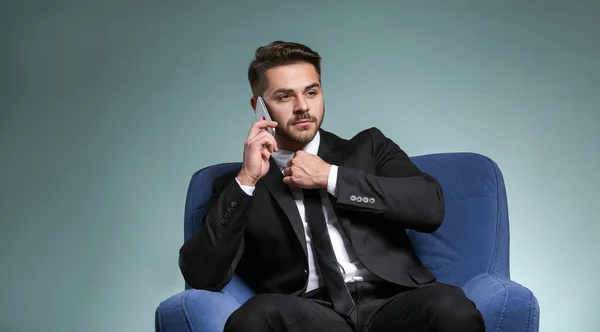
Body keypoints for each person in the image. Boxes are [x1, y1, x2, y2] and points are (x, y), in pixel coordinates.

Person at [178, 41, 485, 332]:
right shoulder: (242, 183)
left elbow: (430, 206)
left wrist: (332, 178)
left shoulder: (369, 148)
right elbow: (203, 274)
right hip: (309, 311)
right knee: (254, 316)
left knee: (452, 307)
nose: (302, 107)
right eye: (285, 97)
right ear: (258, 106)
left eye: (311, 92)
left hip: (394, 300)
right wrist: (246, 180)